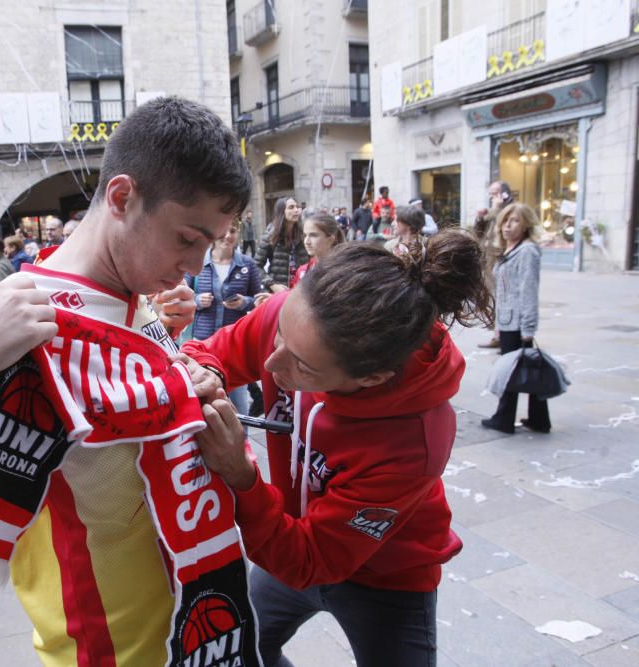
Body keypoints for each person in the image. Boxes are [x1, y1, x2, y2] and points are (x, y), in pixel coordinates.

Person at [0, 97, 263, 665]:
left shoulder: (136, 293)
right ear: (123, 198)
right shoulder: (14, 319)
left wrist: (181, 374)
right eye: (186, 238)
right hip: (100, 651)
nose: (196, 265)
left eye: (209, 243)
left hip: (192, 631)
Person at [183, 229, 495, 667]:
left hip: (387, 576)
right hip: (287, 538)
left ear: (372, 378)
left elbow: (313, 560)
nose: (271, 366)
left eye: (303, 366)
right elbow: (209, 351)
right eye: (278, 337)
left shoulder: (413, 440)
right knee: (241, 647)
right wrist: (205, 372)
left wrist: (241, 476)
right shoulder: (296, 321)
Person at [481, 203, 549, 435]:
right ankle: (539, 419)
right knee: (526, 369)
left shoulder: (527, 251)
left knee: (512, 371)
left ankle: (504, 419)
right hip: (508, 321)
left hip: (518, 323)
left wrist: (528, 328)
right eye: (505, 220)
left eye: (515, 221)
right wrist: (498, 325)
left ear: (527, 224)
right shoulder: (510, 249)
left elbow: (528, 290)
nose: (507, 226)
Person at [186, 217, 262, 416]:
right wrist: (196, 300)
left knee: (238, 410)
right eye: (224, 231)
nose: (228, 236)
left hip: (233, 348)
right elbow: (182, 293)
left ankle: (242, 445)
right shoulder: (198, 261)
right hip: (203, 344)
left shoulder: (247, 264)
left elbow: (258, 299)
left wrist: (244, 302)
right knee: (203, 408)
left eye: (234, 232)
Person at [474, 181, 513, 350]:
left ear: (504, 195)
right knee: (492, 297)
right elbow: (478, 234)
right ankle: (498, 334)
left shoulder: (511, 211)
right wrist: (480, 218)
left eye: (494, 194)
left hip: (503, 258)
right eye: (490, 195)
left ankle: (505, 335)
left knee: (503, 296)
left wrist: (496, 210)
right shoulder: (491, 212)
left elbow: (505, 229)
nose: (492, 198)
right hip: (489, 259)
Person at [255, 197, 309, 294]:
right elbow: (256, 265)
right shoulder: (271, 235)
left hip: (302, 291)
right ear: (281, 212)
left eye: (297, 207)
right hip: (280, 291)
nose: (296, 210)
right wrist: (272, 285)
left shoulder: (304, 234)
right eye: (291, 207)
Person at [290, 213, 345, 289]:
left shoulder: (343, 271)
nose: (306, 241)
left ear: (330, 239)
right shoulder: (302, 271)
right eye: (305, 235)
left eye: (313, 235)